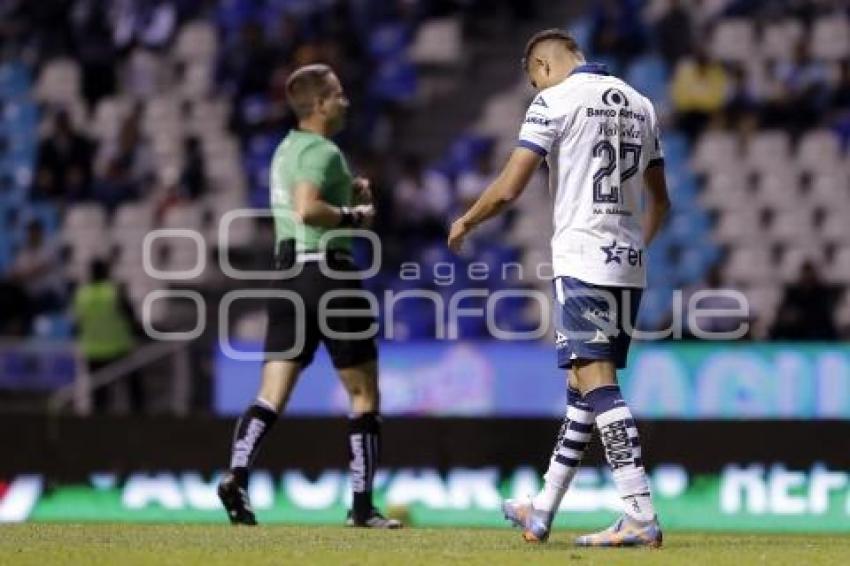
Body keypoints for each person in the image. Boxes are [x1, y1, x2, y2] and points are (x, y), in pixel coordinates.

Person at [448, 29, 670, 548]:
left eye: (532, 81)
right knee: (581, 390)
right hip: (626, 264)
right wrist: (634, 247)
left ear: (543, 67)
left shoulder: (555, 100)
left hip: (583, 260)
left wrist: (466, 221)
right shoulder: (642, 104)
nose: (534, 88)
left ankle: (638, 512)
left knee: (598, 384)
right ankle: (542, 509)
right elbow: (661, 201)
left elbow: (509, 188)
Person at [217, 63, 401, 529]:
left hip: (286, 279)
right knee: (364, 395)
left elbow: (298, 196)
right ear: (318, 105)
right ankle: (361, 509)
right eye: (338, 94)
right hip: (330, 277)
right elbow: (307, 208)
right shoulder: (323, 151)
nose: (345, 101)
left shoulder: (285, 151)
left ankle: (236, 475)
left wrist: (346, 189)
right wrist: (357, 216)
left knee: (271, 394)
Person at [72, 259, 143, 412]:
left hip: (93, 351)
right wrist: (138, 333)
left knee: (99, 396)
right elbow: (129, 316)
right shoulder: (114, 291)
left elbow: (77, 325)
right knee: (133, 390)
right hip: (118, 348)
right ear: (106, 272)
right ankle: (139, 419)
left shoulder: (82, 295)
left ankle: (98, 428)